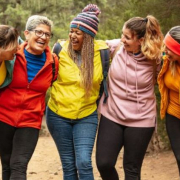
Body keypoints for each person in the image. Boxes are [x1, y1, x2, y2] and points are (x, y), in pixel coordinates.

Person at [96, 15, 164, 180]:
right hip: (112, 114)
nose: (122, 39)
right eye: (122, 34)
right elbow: (91, 46)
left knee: (132, 169)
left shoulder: (156, 60)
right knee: (104, 163)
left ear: (141, 40)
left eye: (127, 37)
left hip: (142, 119)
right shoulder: (116, 48)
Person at [46, 4, 109, 180]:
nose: (72, 35)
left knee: (83, 162)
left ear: (88, 37)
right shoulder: (59, 50)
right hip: (58, 115)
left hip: (86, 115)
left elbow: (128, 44)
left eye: (78, 32)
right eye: (71, 30)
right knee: (69, 166)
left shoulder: (102, 51)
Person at [0, 15, 58, 180]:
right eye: (39, 32)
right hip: (3, 117)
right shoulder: (11, 55)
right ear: (27, 33)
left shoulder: (53, 62)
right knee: (6, 164)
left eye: (47, 34)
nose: (43, 37)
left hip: (30, 121)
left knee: (19, 165)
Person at [158, 26, 180, 177]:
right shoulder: (167, 61)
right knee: (179, 157)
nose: (165, 51)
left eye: (169, 48)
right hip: (174, 113)